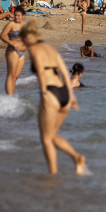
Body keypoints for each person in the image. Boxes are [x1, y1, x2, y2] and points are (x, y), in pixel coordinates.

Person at [21, 20, 85, 175]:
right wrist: (71, 95)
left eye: (23, 38)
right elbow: (63, 69)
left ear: (29, 37)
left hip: (50, 93)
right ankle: (77, 158)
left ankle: (53, 175)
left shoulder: (34, 49)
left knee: (46, 139)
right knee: (51, 136)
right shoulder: (49, 47)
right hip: (64, 93)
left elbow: (42, 72)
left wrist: (43, 94)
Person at [0, 6, 27, 96]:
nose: (16, 17)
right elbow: (2, 36)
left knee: (15, 77)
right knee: (11, 76)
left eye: (18, 16)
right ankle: (9, 97)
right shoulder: (11, 24)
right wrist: (11, 42)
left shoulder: (25, 25)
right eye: (15, 15)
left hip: (22, 53)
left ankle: (12, 95)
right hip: (12, 51)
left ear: (23, 16)